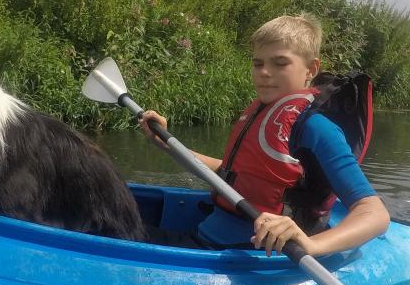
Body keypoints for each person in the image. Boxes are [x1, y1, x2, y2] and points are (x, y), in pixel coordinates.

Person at [139, 14, 390, 257]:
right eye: (258, 63)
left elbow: (374, 212)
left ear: (311, 68)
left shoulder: (317, 128)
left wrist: (310, 245)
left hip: (247, 255)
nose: (264, 72)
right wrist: (166, 144)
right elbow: (229, 174)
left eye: (280, 63)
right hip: (207, 238)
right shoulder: (258, 113)